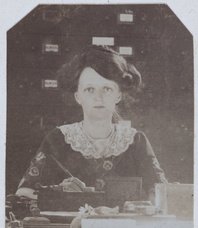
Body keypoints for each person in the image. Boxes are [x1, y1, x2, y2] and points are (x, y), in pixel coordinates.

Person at [16, 45, 167, 201]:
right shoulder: (58, 139)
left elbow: (163, 194)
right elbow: (23, 193)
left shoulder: (136, 142)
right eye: (89, 89)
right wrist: (57, 191)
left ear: (119, 95)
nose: (98, 97)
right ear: (77, 96)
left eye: (107, 89)